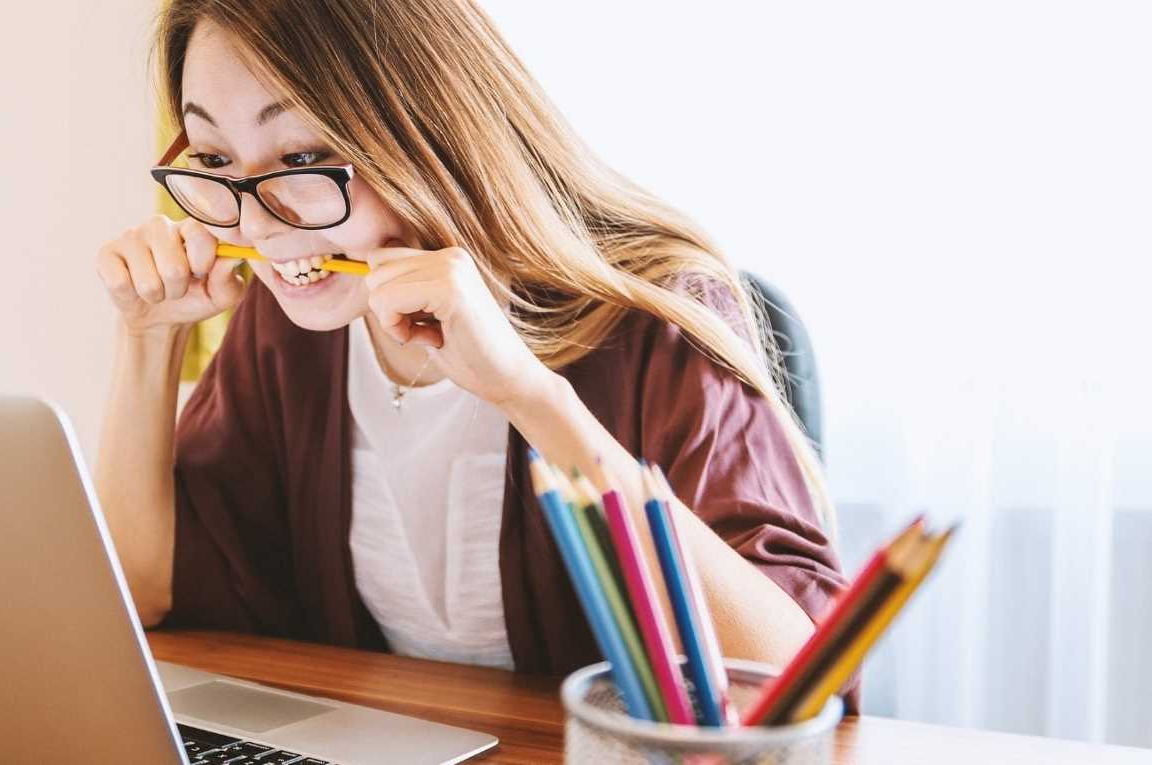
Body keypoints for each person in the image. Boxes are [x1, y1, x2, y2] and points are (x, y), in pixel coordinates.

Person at [93, 0, 849, 686]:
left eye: (301, 159)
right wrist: (148, 339)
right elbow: (144, 590)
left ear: (427, 130)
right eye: (217, 160)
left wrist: (528, 393)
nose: (255, 226)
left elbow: (796, 680)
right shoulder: (294, 325)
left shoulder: (658, 314)